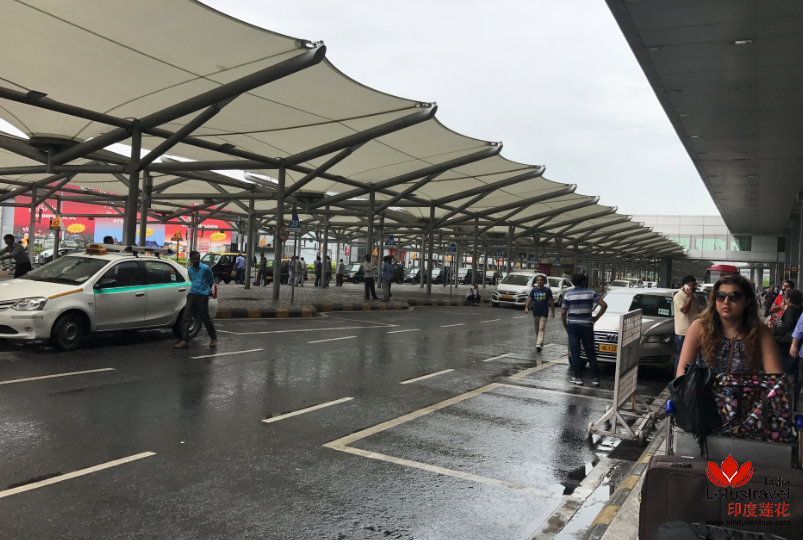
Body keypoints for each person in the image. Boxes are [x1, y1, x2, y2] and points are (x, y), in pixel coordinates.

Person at [676, 275, 782, 377]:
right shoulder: (700, 327)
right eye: (720, 296)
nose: (726, 301)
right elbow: (683, 368)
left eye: (734, 296)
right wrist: (685, 387)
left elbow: (775, 376)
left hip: (746, 389)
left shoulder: (761, 332)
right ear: (714, 301)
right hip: (706, 389)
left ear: (747, 302)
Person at [562, 273, 607, 386]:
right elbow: (604, 305)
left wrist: (565, 325)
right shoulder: (591, 293)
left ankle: (578, 378)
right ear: (583, 282)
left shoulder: (568, 294)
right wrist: (596, 317)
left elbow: (563, 312)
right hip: (587, 326)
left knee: (575, 352)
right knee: (590, 352)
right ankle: (595, 379)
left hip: (573, 326)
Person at [175, 251, 218, 349]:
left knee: (205, 318)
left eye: (197, 258)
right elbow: (192, 280)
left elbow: (211, 281)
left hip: (202, 296)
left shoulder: (205, 269)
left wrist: (207, 291)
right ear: (190, 259)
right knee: (186, 317)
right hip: (192, 295)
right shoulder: (190, 270)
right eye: (194, 259)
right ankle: (185, 340)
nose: (196, 260)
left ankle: (214, 337)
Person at [672, 275, 700, 374]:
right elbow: (684, 310)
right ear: (686, 286)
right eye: (692, 285)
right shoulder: (678, 296)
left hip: (693, 332)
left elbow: (698, 311)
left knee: (692, 357)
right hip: (682, 333)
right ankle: (678, 378)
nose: (695, 287)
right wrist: (690, 297)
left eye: (695, 284)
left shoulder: (694, 297)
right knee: (681, 357)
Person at [524, 274, 554, 352]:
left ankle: (538, 343)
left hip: (544, 312)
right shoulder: (534, 290)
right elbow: (529, 299)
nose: (539, 281)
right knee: (537, 329)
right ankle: (540, 343)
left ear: (543, 281)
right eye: (538, 280)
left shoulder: (547, 290)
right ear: (536, 282)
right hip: (536, 312)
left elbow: (551, 301)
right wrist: (526, 307)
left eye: (541, 280)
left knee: (541, 328)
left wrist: (553, 312)